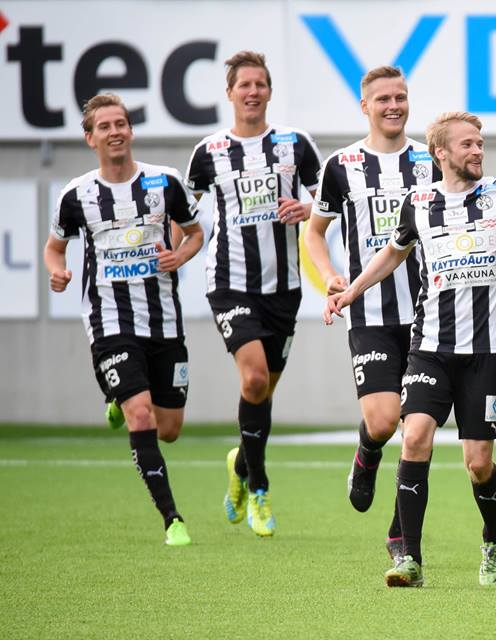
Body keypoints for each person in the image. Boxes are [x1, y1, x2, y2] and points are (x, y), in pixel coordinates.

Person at [324, 112, 496, 587]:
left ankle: (493, 537)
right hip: (429, 347)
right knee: (413, 438)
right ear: (441, 153)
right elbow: (394, 251)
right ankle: (409, 558)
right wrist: (353, 291)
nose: (477, 150)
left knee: (478, 463)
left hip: (486, 354)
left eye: (480, 142)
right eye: (467, 144)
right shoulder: (419, 202)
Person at [44, 93, 204, 546]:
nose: (114, 132)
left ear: (130, 131)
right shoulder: (77, 195)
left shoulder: (165, 182)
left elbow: (195, 234)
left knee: (169, 429)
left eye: (120, 124)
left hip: (164, 321)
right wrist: (58, 272)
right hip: (109, 322)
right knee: (140, 414)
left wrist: (179, 256)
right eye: (105, 126)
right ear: (90, 137)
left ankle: (117, 398)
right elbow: (54, 248)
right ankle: (172, 519)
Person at [304, 66, 441, 562]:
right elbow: (314, 232)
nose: (393, 106)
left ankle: (399, 533)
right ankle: (366, 455)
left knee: (417, 429)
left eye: (400, 97)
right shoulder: (341, 165)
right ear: (365, 106)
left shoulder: (430, 161)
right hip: (371, 314)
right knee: (383, 422)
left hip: (429, 315)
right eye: (383, 98)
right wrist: (330, 276)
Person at [185, 51, 323, 537]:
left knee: (261, 392)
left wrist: (306, 211)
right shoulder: (209, 152)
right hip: (229, 283)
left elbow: (327, 203)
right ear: (230, 93)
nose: (252, 92)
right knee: (256, 378)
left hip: (284, 288)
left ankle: (240, 464)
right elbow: (181, 212)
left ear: (269, 91)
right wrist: (169, 252)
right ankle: (260, 490)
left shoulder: (295, 144)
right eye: (243, 85)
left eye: (259, 84)